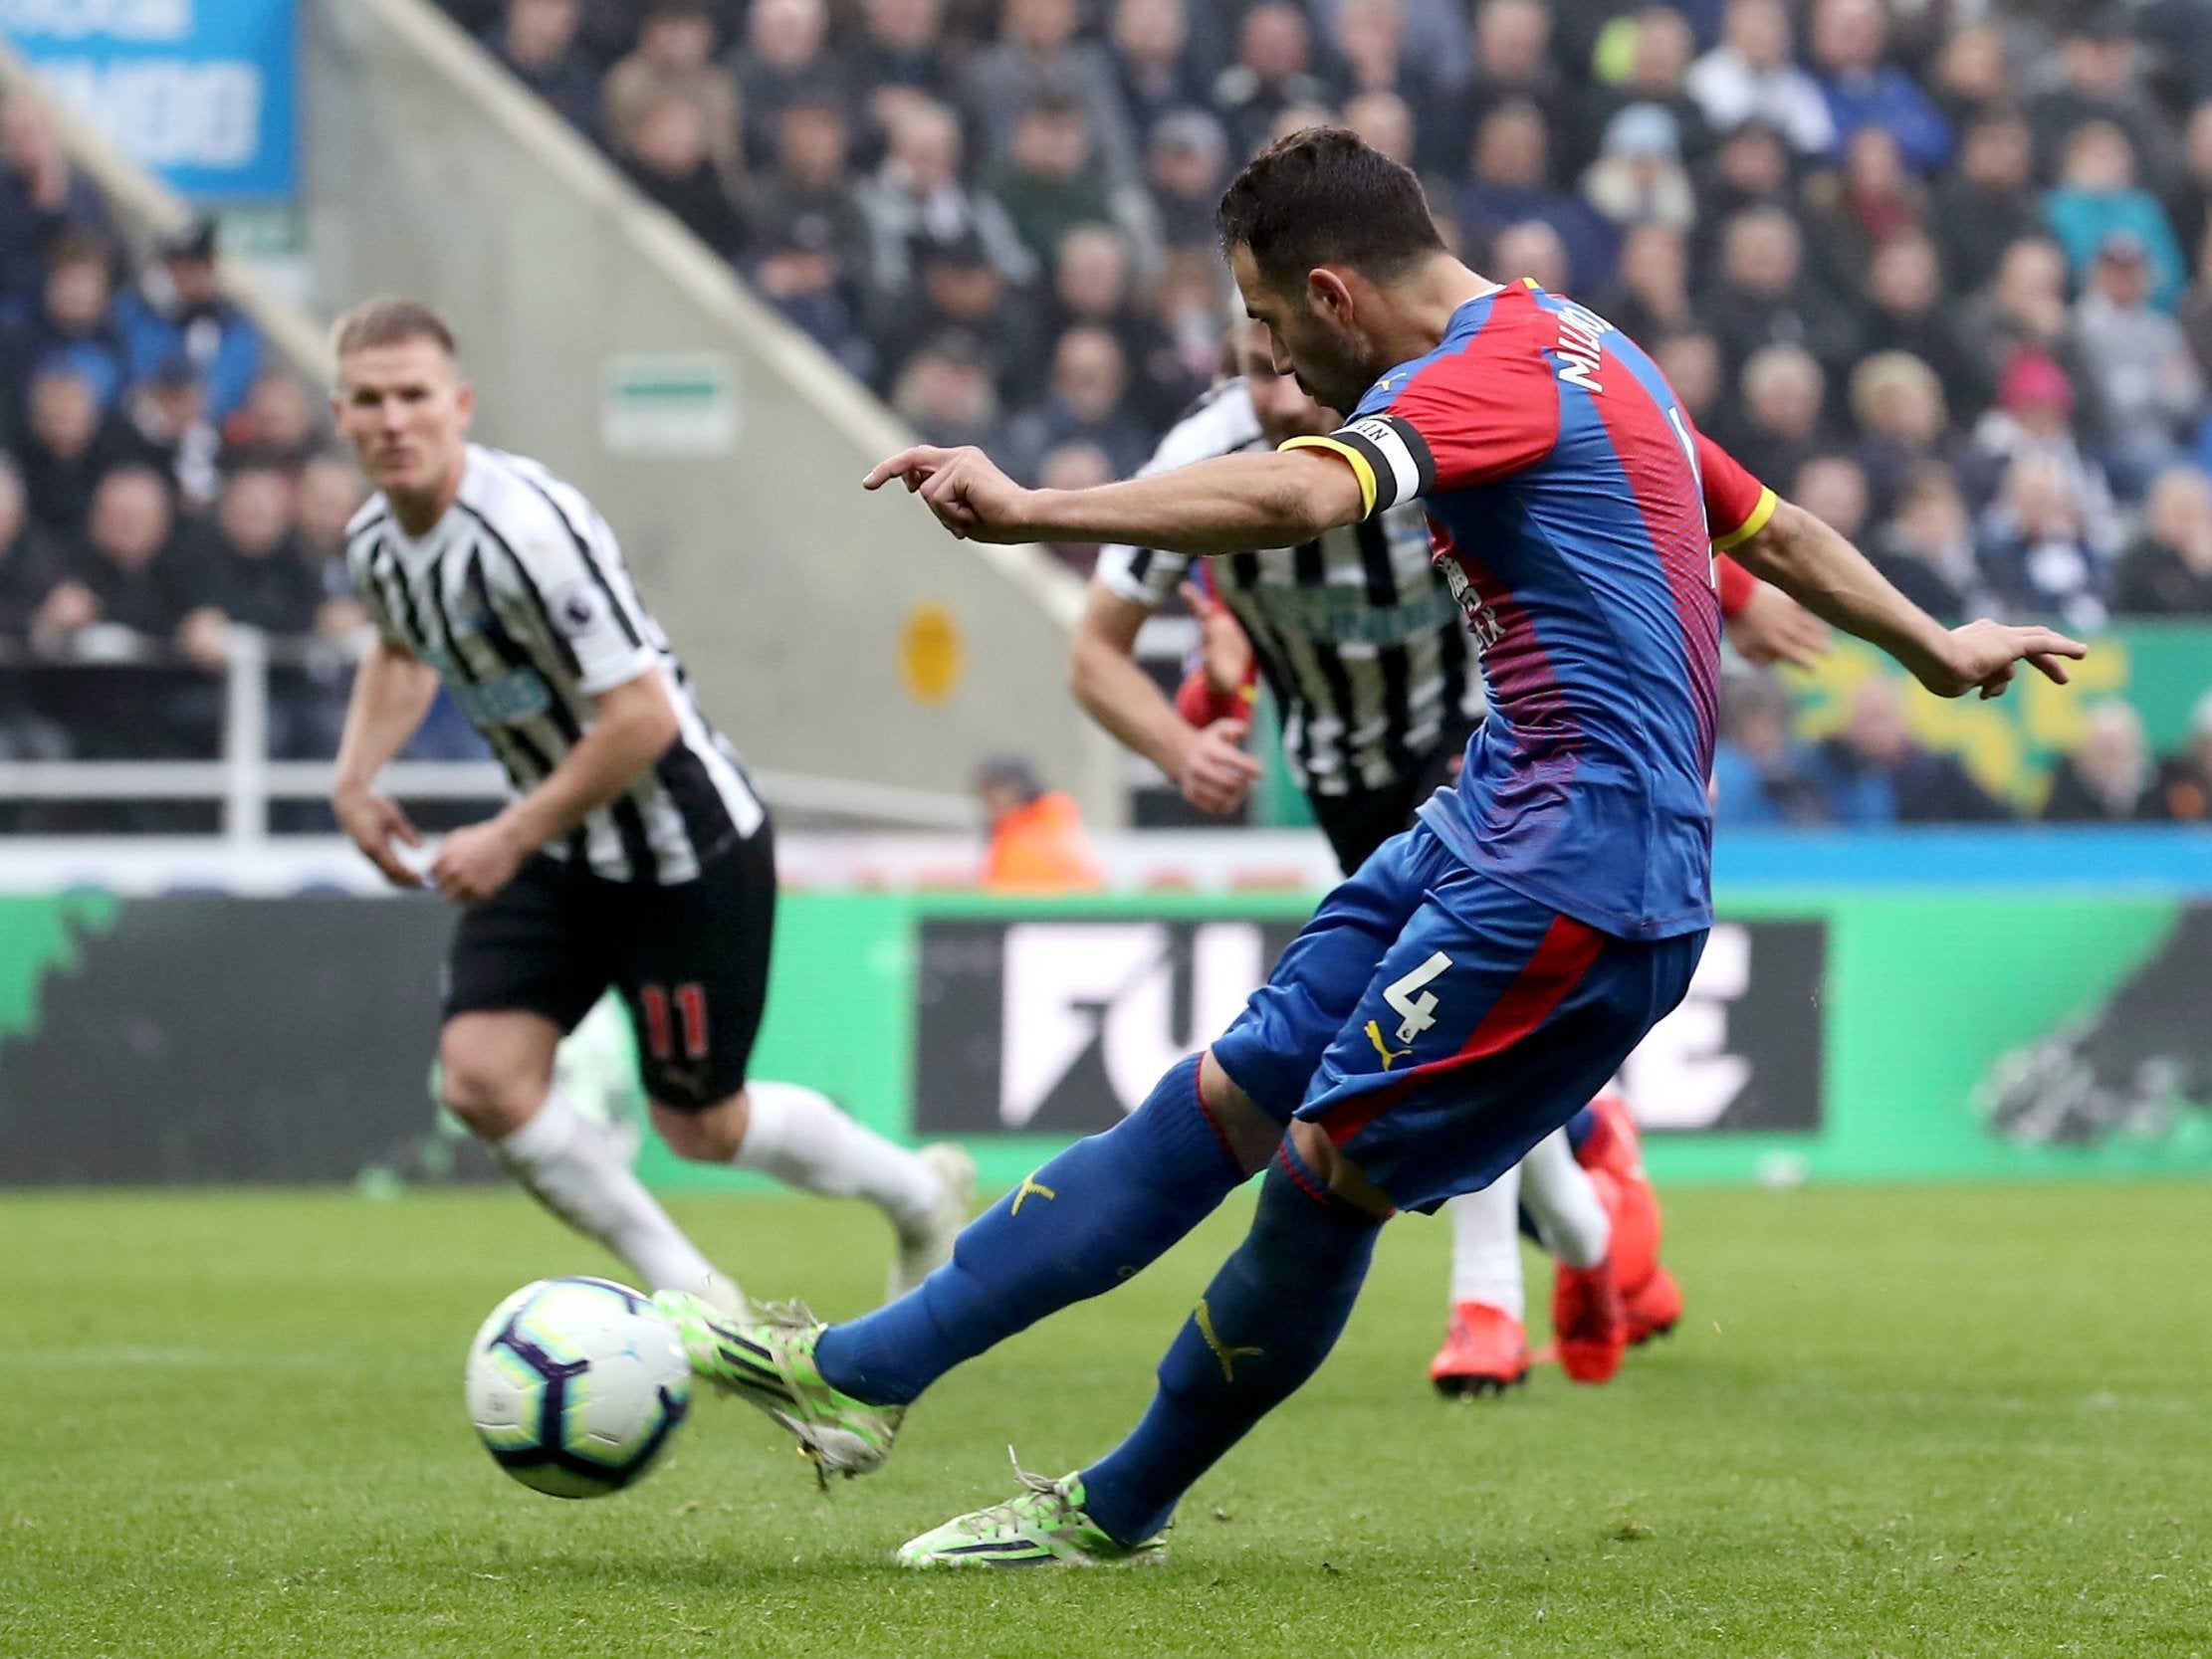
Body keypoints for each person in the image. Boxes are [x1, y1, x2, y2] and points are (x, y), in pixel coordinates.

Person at [665, 129, 2083, 1565]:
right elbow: (1766, 527)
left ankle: (1114, 1506)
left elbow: (1294, 493)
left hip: (1583, 877)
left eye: (1273, 326)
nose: (1272, 362)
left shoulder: (1472, 381)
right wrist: (1929, 641)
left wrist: (1034, 507)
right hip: (1484, 821)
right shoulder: (1583, 340)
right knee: (1221, 1095)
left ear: (1335, 294)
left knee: (1323, 1164)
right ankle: (855, 1369)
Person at [1072, 317, 1826, 1391]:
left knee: (1438, 1019)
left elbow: (1607, 488)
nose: (1284, 398)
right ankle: (1598, 1240)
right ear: (1228, 373)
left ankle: (1488, 1303)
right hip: (1337, 772)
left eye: (1295, 368)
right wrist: (1179, 736)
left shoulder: (1431, 407)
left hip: (1482, 744)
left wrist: (1737, 590)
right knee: (1448, 1050)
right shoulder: (1195, 461)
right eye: (1254, 372)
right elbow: (1097, 653)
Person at [324, 298, 972, 1313]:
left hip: (681, 842)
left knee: (700, 1124)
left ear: (459, 404)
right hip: (560, 837)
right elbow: (406, 649)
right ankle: (699, 1296)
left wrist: (505, 832)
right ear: (341, 416)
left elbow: (642, 721)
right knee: (481, 1079)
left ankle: (916, 1193)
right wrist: (354, 777)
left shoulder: (528, 530)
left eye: (413, 396)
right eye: (369, 400)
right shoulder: (376, 541)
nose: (392, 420)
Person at [976, 755, 1104, 891]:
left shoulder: (1034, 837)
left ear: (1012, 789)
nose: (984, 800)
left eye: (989, 790)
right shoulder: (1033, 828)